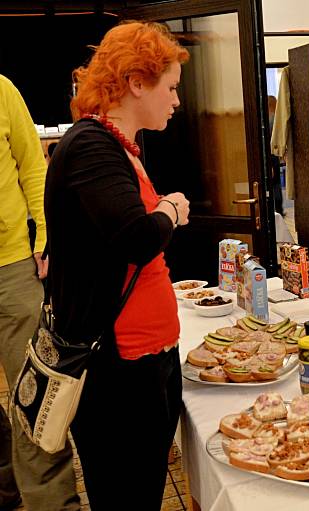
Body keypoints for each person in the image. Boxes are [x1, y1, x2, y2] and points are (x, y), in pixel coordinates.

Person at [44, 22, 190, 509]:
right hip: (117, 369)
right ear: (136, 82)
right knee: (126, 496)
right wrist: (171, 208)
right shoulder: (90, 145)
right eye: (169, 87)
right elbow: (135, 239)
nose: (174, 100)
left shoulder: (119, 146)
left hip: (144, 358)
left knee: (140, 490)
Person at [0, 75, 80, 511]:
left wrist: (45, 235)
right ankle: (4, 484)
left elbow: (34, 167)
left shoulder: (2, 90)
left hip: (12, 267)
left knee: (33, 396)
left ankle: (54, 503)